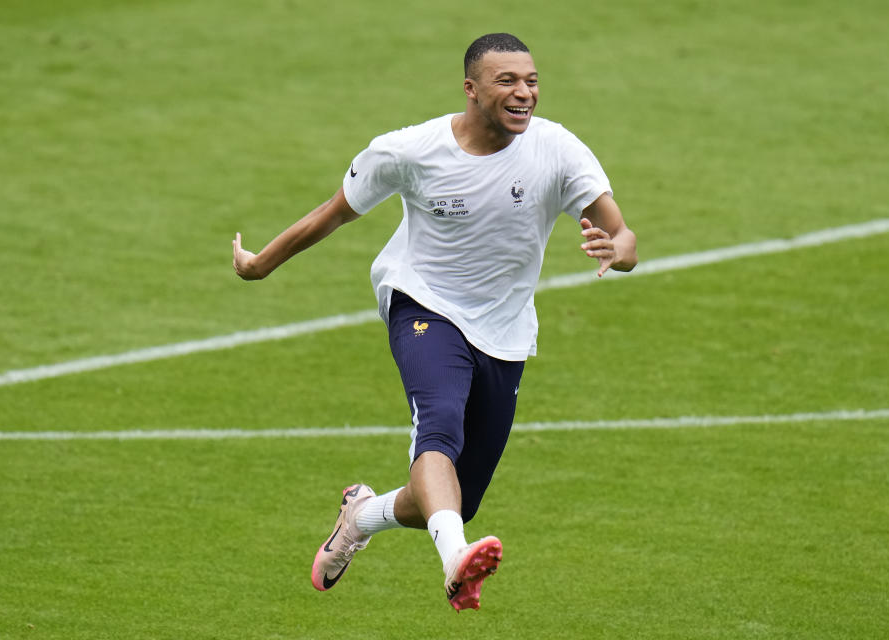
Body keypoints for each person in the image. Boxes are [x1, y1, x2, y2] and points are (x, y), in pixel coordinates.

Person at [232, 33, 637, 611]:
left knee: (453, 500)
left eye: (531, 81)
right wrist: (259, 265)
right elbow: (333, 214)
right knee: (439, 425)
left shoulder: (558, 149)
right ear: (471, 90)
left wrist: (616, 250)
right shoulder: (410, 150)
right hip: (423, 303)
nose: (524, 93)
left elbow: (624, 234)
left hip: (504, 328)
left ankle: (361, 517)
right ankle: (455, 563)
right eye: (507, 82)